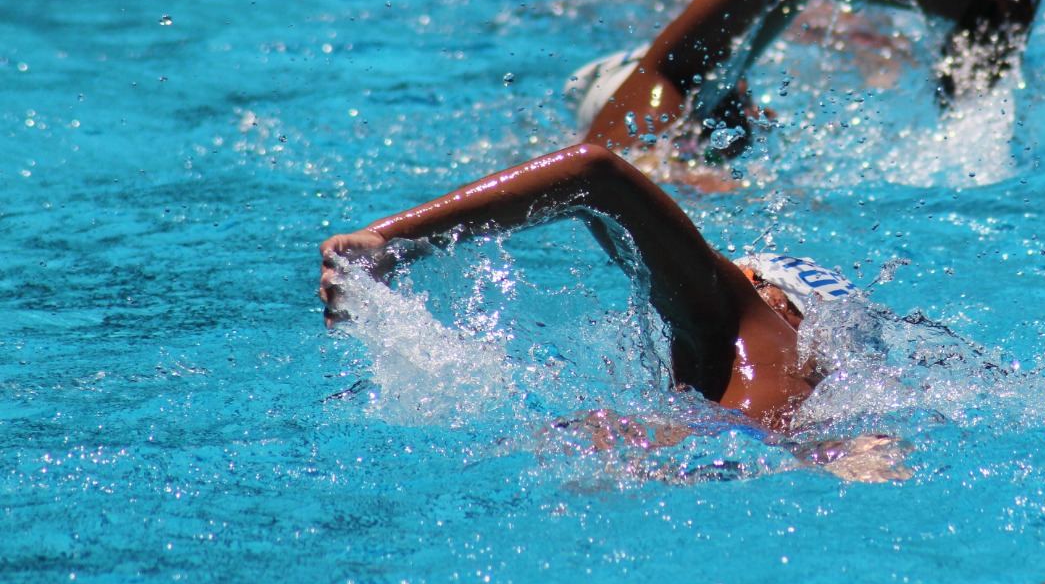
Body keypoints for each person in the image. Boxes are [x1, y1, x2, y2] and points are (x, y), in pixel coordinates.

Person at [320, 141, 863, 435]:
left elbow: (593, 173)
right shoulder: (822, 417)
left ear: (775, 300)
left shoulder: (739, 321)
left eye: (741, 274)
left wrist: (390, 241)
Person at [561, 0, 1041, 169]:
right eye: (737, 100)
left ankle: (976, 9)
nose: (762, 114)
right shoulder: (642, 132)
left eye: (744, 98)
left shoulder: (671, 158)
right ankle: (976, 7)